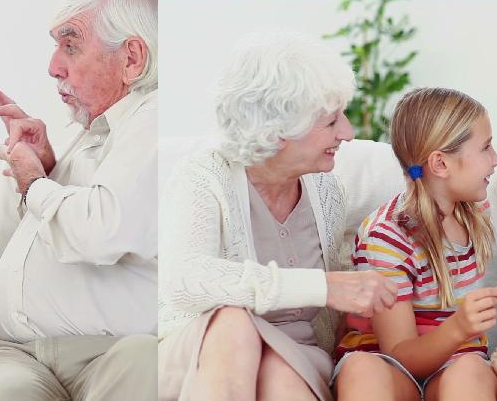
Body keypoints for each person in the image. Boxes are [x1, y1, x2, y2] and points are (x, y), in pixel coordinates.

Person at [159, 32, 400, 401]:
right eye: (332, 121)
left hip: (298, 355)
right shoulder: (203, 177)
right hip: (204, 347)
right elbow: (186, 280)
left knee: (280, 377)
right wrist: (323, 286)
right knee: (235, 322)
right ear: (278, 132)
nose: (348, 133)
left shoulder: (326, 191)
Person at [0, 0, 157, 401]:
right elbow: (73, 218)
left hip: (109, 356)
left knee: (147, 361)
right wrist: (49, 169)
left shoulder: (153, 117)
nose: (53, 67)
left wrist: (34, 182)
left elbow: (100, 232)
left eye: (70, 46)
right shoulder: (95, 129)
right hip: (15, 357)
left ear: (132, 59)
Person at [331, 88, 497, 401]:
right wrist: (459, 326)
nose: (496, 159)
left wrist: (461, 332)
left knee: (469, 373)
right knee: (361, 370)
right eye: (486, 147)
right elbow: (400, 355)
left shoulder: (475, 212)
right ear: (440, 164)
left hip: (457, 363)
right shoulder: (386, 237)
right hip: (390, 367)